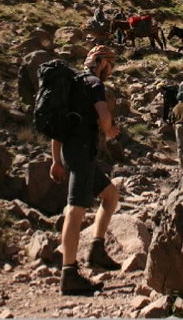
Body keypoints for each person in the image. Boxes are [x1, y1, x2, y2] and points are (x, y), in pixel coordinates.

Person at [50, 45, 121, 296]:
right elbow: (103, 116)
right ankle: (69, 274)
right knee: (75, 209)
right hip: (81, 153)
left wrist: (56, 160)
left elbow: (58, 127)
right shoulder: (93, 83)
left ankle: (96, 250)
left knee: (111, 195)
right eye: (110, 66)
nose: (110, 72)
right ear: (102, 63)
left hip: (73, 154)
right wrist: (109, 129)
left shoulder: (71, 84)